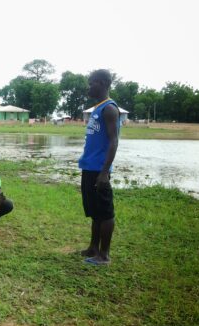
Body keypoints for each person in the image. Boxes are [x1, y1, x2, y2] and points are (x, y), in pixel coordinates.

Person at [78, 69, 121, 265]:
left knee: (105, 212)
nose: (89, 87)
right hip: (89, 167)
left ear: (103, 83)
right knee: (94, 211)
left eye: (92, 83)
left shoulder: (110, 109)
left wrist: (104, 172)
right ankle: (93, 248)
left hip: (99, 170)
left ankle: (104, 255)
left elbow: (114, 142)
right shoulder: (97, 108)